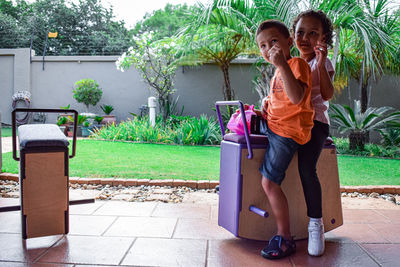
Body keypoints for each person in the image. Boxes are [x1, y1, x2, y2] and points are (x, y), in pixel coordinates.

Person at [255, 19, 314, 260]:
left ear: (289, 42)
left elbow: (298, 98)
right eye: (263, 46)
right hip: (275, 127)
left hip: (287, 133)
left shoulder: (296, 64)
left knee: (269, 183)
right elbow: (282, 101)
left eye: (274, 42)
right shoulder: (280, 70)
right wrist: (266, 107)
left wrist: (283, 65)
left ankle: (285, 237)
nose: (268, 49)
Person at [291, 10, 335, 257]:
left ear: (323, 38)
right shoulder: (290, 64)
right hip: (290, 121)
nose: (305, 38)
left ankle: (315, 223)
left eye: (313, 33)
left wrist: (320, 62)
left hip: (315, 122)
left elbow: (327, 95)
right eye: (300, 32)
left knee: (307, 168)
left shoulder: (322, 62)